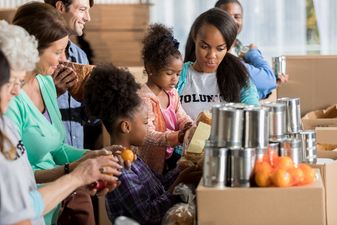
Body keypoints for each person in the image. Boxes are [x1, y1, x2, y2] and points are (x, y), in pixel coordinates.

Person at [3, 3, 117, 225]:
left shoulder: (46, 82)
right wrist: (75, 174)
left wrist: (93, 156)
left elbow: (57, 148)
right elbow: (22, 184)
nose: (64, 59)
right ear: (32, 49)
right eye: (57, 52)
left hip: (54, 199)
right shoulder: (10, 103)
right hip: (38, 206)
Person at [84, 64, 202, 225]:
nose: (149, 128)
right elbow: (148, 216)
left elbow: (158, 188)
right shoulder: (119, 170)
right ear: (126, 126)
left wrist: (181, 171)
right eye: (146, 122)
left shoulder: (132, 157)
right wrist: (179, 181)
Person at [178, 8, 260, 120]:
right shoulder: (177, 75)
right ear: (195, 38)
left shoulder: (238, 76)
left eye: (220, 49)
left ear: (228, 47)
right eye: (204, 47)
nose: (211, 55)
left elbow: (253, 114)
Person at [138, 24, 193, 174]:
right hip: (150, 164)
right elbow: (148, 135)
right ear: (150, 69)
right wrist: (177, 137)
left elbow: (180, 115)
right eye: (169, 73)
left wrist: (188, 125)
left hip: (169, 156)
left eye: (178, 73)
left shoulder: (172, 93)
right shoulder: (144, 99)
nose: (175, 79)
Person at [44, 0, 99, 150]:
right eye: (82, 9)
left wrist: (99, 100)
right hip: (46, 164)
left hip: (75, 155)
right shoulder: (34, 58)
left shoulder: (80, 56)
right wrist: (50, 94)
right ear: (60, 7)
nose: (88, 17)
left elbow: (87, 117)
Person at [215, 0, 287, 89]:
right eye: (227, 17)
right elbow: (267, 80)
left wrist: (271, 85)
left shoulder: (242, 50)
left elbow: (246, 90)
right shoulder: (217, 52)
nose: (233, 21)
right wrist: (254, 53)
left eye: (237, 17)